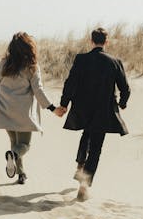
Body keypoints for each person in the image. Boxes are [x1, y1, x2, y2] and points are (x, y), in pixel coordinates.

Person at [0, 32, 60, 184]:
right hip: (22, 113)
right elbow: (38, 90)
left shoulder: (4, 64)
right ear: (29, 48)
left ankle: (21, 174)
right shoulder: (32, 67)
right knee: (24, 145)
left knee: (14, 143)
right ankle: (13, 158)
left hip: (4, 110)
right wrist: (53, 108)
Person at [55, 28, 130, 200]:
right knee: (96, 147)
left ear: (91, 41)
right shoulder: (114, 61)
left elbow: (70, 82)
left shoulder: (81, 59)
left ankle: (80, 164)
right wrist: (123, 103)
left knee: (86, 134)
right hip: (103, 109)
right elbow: (124, 87)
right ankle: (84, 184)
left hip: (83, 107)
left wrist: (64, 103)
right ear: (106, 41)